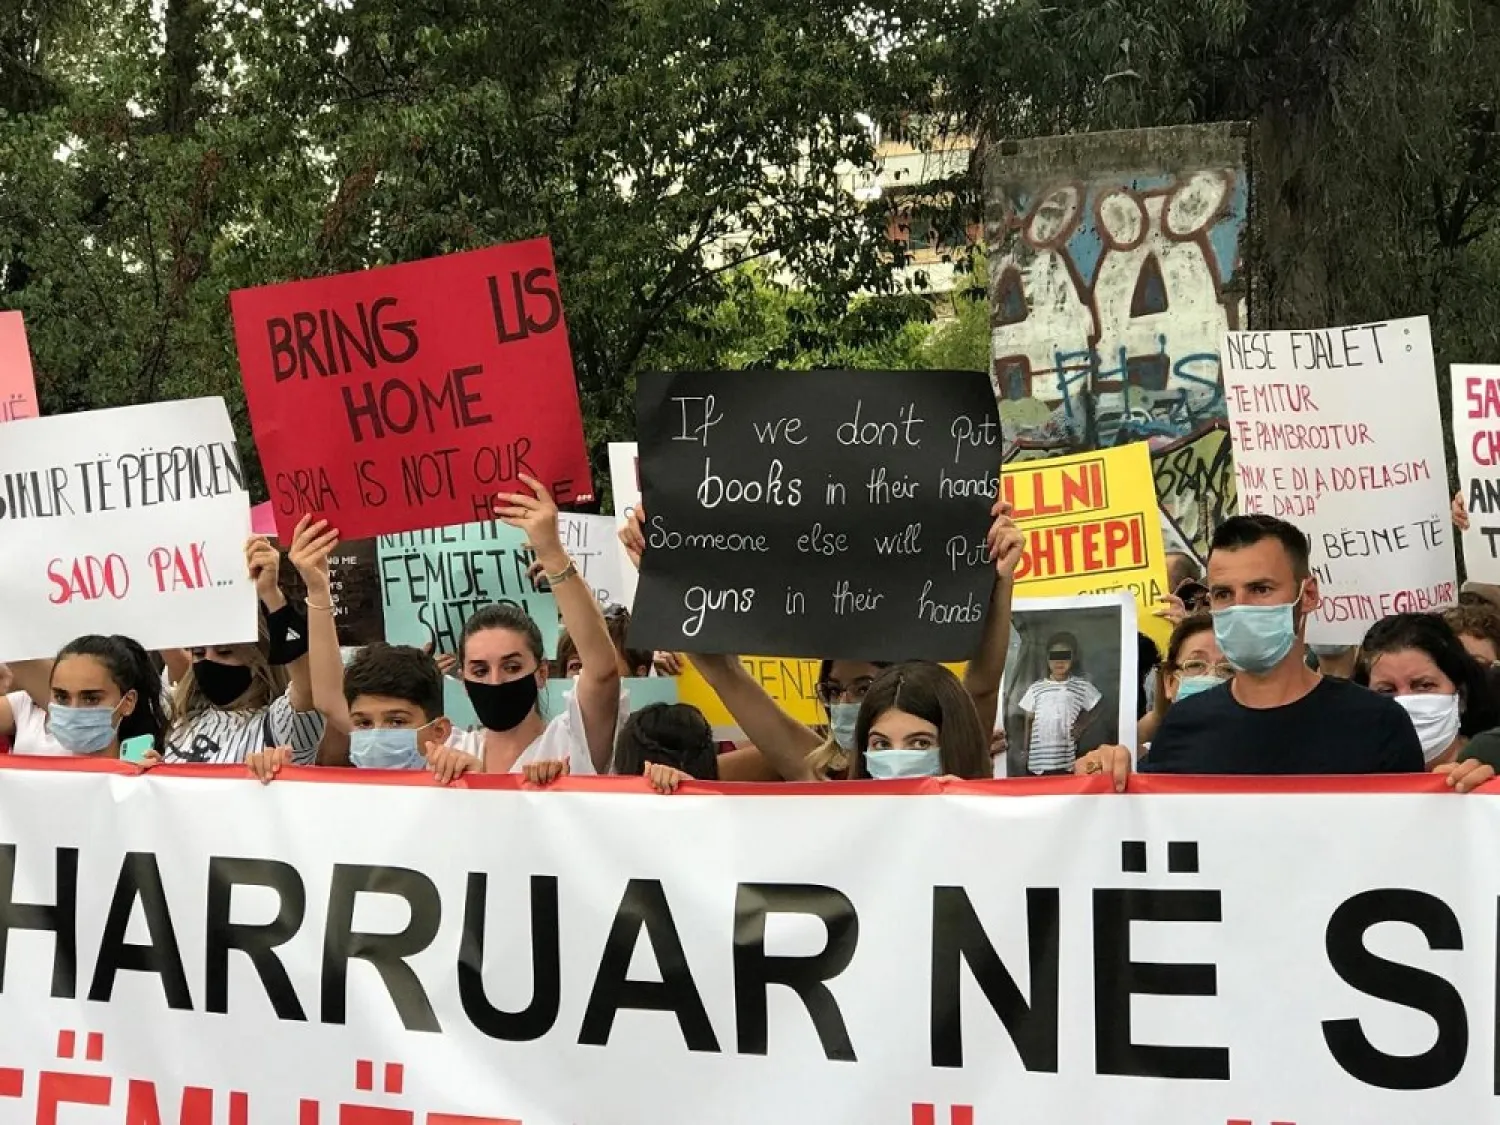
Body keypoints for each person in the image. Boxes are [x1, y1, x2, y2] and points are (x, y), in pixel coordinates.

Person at [618, 498, 1023, 782]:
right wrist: (666, 572)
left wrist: (999, 580)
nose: (846, 705)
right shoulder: (826, 777)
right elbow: (725, 674)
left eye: (864, 689)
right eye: (833, 691)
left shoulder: (964, 773)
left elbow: (983, 685)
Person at [1076, 514, 1491, 791]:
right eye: (1223, 594)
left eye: (1260, 589)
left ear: (1306, 595)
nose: (1240, 607)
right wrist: (1102, 772)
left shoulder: (1376, 724)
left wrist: (1475, 793)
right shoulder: (1186, 725)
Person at [163, 533, 325, 765]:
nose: (207, 661)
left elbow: (308, 683)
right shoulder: (183, 720)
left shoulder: (280, 728)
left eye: (225, 652)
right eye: (198, 653)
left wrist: (271, 595)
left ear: (259, 657)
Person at [249, 641, 462, 783]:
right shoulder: (333, 805)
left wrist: (476, 782)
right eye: (364, 724)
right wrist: (277, 785)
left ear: (439, 732)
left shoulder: (463, 791)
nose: (377, 735)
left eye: (396, 722)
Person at [1357, 614, 1498, 770]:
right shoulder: (1348, 779)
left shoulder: (1493, 761)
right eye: (1386, 690)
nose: (1405, 702)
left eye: (1424, 686)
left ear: (1461, 696)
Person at [846, 662, 991, 780]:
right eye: (882, 744)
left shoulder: (996, 814)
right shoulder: (838, 814)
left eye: (920, 743)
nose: (897, 767)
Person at [43, 635, 169, 759]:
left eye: (91, 699)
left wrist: (149, 777)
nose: (73, 710)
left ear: (128, 702)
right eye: (61, 697)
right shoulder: (36, 772)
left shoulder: (146, 777)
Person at [1136, 612, 1232, 749]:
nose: (1212, 676)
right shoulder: (1142, 762)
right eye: (1195, 665)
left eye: (1228, 669)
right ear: (1169, 682)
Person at [1015, 632, 1102, 775]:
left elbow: (1099, 706)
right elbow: (1028, 720)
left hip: (1067, 759)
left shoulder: (1081, 686)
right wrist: (1025, 749)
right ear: (1048, 659)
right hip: (1038, 760)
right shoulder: (1036, 688)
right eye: (1055, 656)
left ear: (1073, 658)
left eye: (1065, 656)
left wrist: (1082, 725)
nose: (1059, 662)